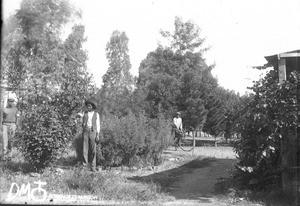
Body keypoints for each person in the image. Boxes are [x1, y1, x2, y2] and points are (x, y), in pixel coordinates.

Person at [81, 98, 100, 172]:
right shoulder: (84, 113)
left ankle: (93, 167)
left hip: (93, 132)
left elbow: (98, 125)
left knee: (93, 150)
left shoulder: (96, 114)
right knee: (84, 150)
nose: (88, 107)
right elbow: (80, 119)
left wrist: (97, 134)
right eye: (87, 106)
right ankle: (84, 167)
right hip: (85, 131)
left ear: (93, 106)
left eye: (90, 106)